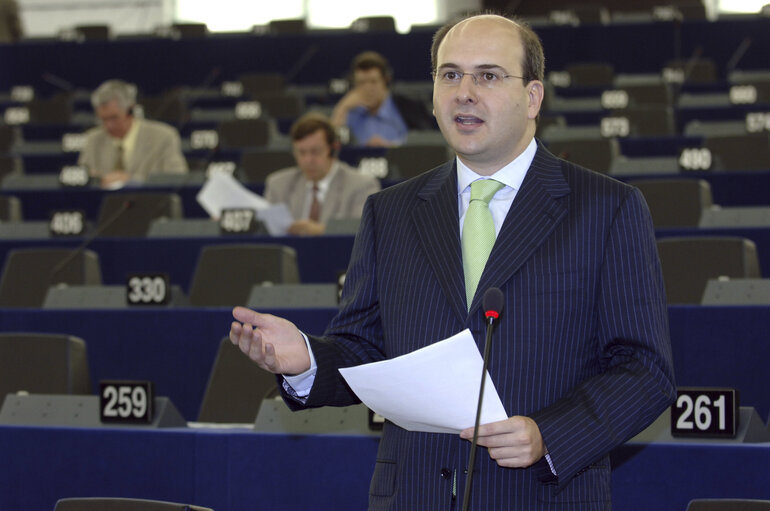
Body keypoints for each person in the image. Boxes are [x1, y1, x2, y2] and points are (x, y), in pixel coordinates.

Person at [230, 13, 675, 510]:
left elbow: (644, 369)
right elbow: (364, 348)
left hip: (540, 496)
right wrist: (308, 359)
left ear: (533, 97)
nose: (464, 91)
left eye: (487, 75)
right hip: (416, 493)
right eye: (450, 74)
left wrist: (549, 435)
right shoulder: (389, 211)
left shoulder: (606, 208)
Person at [264, 112, 380, 236]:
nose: (308, 160)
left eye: (315, 152)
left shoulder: (361, 185)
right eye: (301, 152)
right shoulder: (278, 184)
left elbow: (363, 231)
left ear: (333, 149)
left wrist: (320, 231)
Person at [78, 79, 188, 189]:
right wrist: (95, 180)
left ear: (131, 111)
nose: (108, 126)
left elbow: (177, 178)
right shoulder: (93, 139)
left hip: (150, 203)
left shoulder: (163, 137)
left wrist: (132, 181)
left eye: (113, 118)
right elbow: (80, 178)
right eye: (103, 119)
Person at [331, 50, 433, 147]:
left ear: (386, 81)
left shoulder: (406, 106)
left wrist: (391, 148)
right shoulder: (350, 112)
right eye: (361, 83)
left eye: (373, 82)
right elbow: (332, 146)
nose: (367, 89)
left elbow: (425, 141)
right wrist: (342, 107)